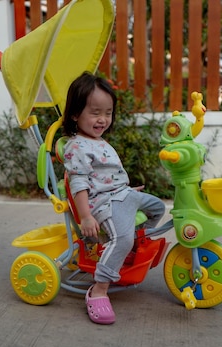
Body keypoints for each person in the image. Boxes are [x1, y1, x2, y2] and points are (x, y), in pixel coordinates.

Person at [62, 72, 165, 324]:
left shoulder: (101, 142)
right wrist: (86, 216)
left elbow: (108, 177)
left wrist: (127, 190)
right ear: (75, 114)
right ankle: (99, 288)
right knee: (123, 237)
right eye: (95, 112)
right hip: (103, 204)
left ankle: (124, 247)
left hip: (122, 195)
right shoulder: (76, 146)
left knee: (159, 209)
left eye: (107, 113)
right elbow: (78, 182)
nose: (102, 119)